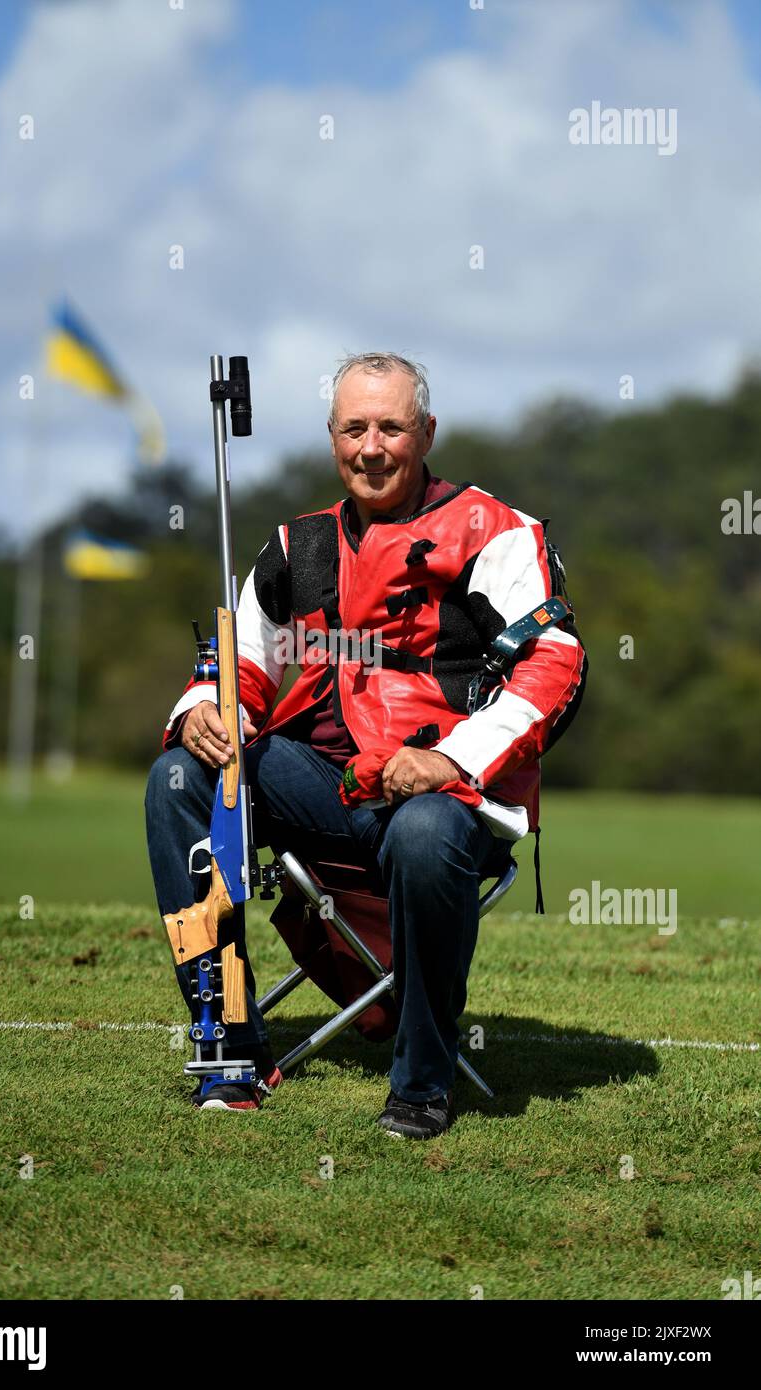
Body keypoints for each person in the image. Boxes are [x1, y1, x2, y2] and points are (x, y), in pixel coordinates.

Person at [145, 352, 586, 1139]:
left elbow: (556, 662)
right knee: (179, 778)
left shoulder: (495, 532)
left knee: (423, 829)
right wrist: (204, 713)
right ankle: (230, 1048)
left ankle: (421, 1086)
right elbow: (242, 664)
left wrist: (451, 761)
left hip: (448, 803)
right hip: (324, 785)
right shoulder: (297, 547)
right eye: (354, 428)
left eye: (391, 427)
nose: (372, 447)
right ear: (331, 436)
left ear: (427, 433)